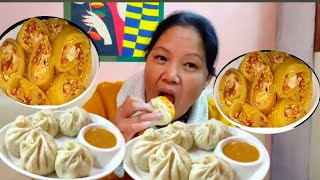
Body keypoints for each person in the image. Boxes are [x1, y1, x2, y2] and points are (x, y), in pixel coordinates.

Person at [83, 11, 229, 179]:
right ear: (147, 60)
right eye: (161, 57)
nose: (171, 75)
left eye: (190, 64)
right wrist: (108, 147)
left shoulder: (221, 127)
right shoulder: (103, 103)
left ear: (207, 80)